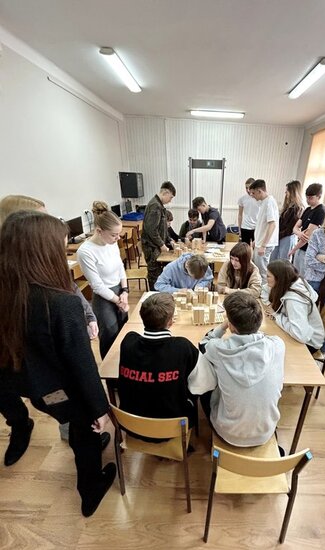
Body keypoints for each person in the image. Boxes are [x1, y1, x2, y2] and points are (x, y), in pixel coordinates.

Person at [0, 211, 115, 516]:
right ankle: (90, 490)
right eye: (60, 248)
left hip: (29, 387)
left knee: (74, 422)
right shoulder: (60, 303)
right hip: (60, 390)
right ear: (43, 252)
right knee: (85, 429)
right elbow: (82, 365)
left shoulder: (10, 292)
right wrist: (99, 408)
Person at [188, 292, 285, 447]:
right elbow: (265, 337)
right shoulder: (277, 345)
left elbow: (204, 343)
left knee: (207, 382)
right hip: (265, 432)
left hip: (228, 433)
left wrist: (223, 325)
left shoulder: (217, 349)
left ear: (231, 325)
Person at [118, 293, 199, 432]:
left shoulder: (128, 342)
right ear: (170, 322)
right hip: (172, 429)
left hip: (132, 426)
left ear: (142, 318)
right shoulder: (182, 347)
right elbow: (201, 383)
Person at [77, 202, 128, 359]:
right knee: (110, 334)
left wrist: (125, 291)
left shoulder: (111, 243)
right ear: (99, 231)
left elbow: (120, 267)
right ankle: (109, 370)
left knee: (124, 330)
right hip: (104, 297)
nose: (118, 238)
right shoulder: (85, 252)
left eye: (118, 234)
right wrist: (117, 300)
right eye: (114, 235)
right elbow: (97, 286)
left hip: (120, 292)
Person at [261, 260, 324, 353]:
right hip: (302, 333)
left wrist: (276, 315)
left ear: (279, 278)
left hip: (309, 343)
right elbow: (264, 290)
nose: (266, 279)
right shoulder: (289, 282)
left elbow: (299, 335)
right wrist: (270, 306)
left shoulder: (294, 301)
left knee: (268, 349)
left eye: (268, 276)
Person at [141, 181, 176, 289]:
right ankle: (154, 295)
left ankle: (159, 292)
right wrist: (162, 244)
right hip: (151, 247)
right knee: (154, 274)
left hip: (155, 246)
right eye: (170, 197)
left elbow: (162, 228)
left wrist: (169, 240)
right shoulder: (155, 206)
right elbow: (151, 230)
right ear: (165, 193)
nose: (170, 200)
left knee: (159, 273)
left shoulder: (159, 205)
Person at [289, 183, 325, 276]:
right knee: (295, 275)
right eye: (307, 197)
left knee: (303, 277)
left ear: (319, 196)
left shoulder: (320, 211)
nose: (308, 200)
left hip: (308, 250)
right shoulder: (307, 209)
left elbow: (307, 236)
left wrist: (293, 250)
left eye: (311, 198)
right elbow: (295, 227)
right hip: (300, 247)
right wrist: (299, 233)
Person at [248, 179, 279, 283]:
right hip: (260, 242)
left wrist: (263, 245)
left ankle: (264, 291)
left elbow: (272, 224)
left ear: (259, 191)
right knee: (258, 269)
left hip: (265, 244)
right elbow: (263, 225)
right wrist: (256, 241)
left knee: (262, 272)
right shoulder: (264, 202)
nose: (252, 195)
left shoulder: (269, 202)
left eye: (253, 193)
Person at [270, 180, 304, 261]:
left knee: (283, 261)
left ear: (293, 191)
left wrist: (278, 235)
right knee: (273, 259)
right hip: (281, 235)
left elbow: (290, 229)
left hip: (287, 237)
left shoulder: (297, 208)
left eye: (287, 190)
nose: (285, 192)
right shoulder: (288, 206)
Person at [237, 177, 260, 244]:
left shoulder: (259, 199)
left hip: (256, 227)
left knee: (256, 247)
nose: (248, 190)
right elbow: (240, 214)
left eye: (249, 188)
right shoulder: (242, 199)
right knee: (244, 247)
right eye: (246, 188)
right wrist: (239, 228)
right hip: (245, 227)